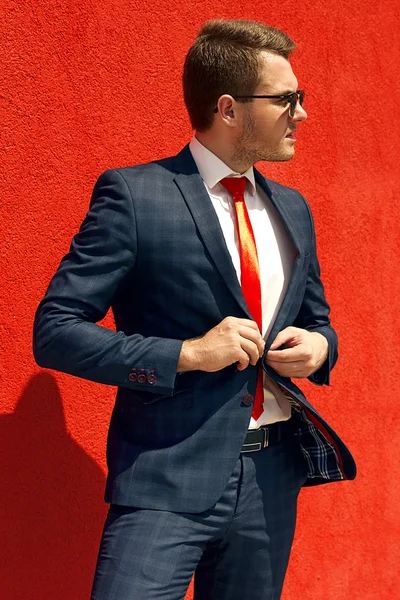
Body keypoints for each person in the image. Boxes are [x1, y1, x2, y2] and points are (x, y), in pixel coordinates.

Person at [33, 18, 356, 600]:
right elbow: (55, 331)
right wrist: (186, 354)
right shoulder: (135, 195)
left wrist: (320, 347)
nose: (301, 113)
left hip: (271, 478)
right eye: (287, 99)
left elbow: (318, 318)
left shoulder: (293, 208)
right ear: (228, 108)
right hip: (164, 475)